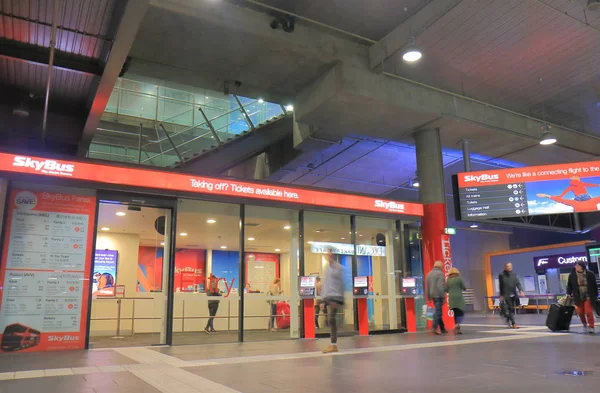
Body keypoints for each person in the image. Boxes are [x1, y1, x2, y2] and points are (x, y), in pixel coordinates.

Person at [321, 248, 344, 353]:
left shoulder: (338, 268)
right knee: (330, 320)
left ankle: (334, 345)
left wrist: (338, 299)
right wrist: (322, 300)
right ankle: (332, 344)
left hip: (336, 297)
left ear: (334, 256)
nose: (329, 257)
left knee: (331, 319)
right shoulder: (327, 268)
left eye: (331, 255)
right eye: (328, 255)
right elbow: (326, 284)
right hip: (329, 297)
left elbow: (340, 284)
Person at [567, 262, 598, 334]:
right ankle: (584, 323)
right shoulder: (572, 275)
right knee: (580, 312)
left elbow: (594, 285)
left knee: (588, 311)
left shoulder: (590, 274)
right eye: (575, 266)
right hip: (578, 295)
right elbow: (569, 285)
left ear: (582, 267)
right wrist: (568, 293)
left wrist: (595, 295)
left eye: (578, 265)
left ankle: (591, 326)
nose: (576, 267)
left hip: (588, 295)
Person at [498, 263, 525, 329]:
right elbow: (501, 286)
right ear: (505, 267)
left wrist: (521, 290)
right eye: (508, 266)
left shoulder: (514, 275)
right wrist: (501, 295)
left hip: (513, 294)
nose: (509, 267)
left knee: (512, 309)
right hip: (506, 295)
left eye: (510, 266)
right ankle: (514, 323)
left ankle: (508, 318)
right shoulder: (501, 275)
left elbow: (517, 283)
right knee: (510, 308)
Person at [426, 261, 447, 335]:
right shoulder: (440, 274)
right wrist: (443, 296)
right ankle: (434, 327)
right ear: (441, 266)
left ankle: (442, 328)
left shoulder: (429, 274)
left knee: (438, 311)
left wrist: (428, 297)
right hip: (438, 294)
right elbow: (440, 286)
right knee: (438, 312)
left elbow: (428, 287)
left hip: (432, 295)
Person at [445, 267, 467, 335]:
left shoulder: (448, 280)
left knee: (455, 313)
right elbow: (464, 287)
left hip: (451, 298)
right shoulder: (459, 279)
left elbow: (446, 289)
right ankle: (457, 325)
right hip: (458, 297)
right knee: (461, 311)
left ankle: (458, 330)